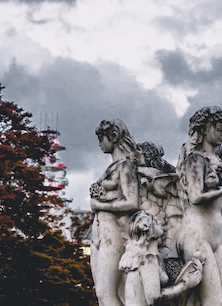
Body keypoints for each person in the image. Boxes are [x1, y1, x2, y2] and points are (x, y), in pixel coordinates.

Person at [176, 106, 222, 306]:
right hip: (197, 236)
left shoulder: (219, 158)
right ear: (205, 129)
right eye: (219, 128)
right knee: (213, 301)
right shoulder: (195, 159)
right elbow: (195, 196)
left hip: (216, 239)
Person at [90, 119, 141, 306]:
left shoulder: (126, 166)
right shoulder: (112, 167)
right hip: (101, 233)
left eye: (101, 138)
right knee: (103, 293)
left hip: (114, 232)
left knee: (107, 292)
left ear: (113, 136)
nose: (99, 144)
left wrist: (100, 205)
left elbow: (131, 201)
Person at [119, 210, 203, 306]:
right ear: (147, 227)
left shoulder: (143, 257)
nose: (159, 223)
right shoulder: (147, 259)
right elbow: (153, 299)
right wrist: (184, 285)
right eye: (155, 221)